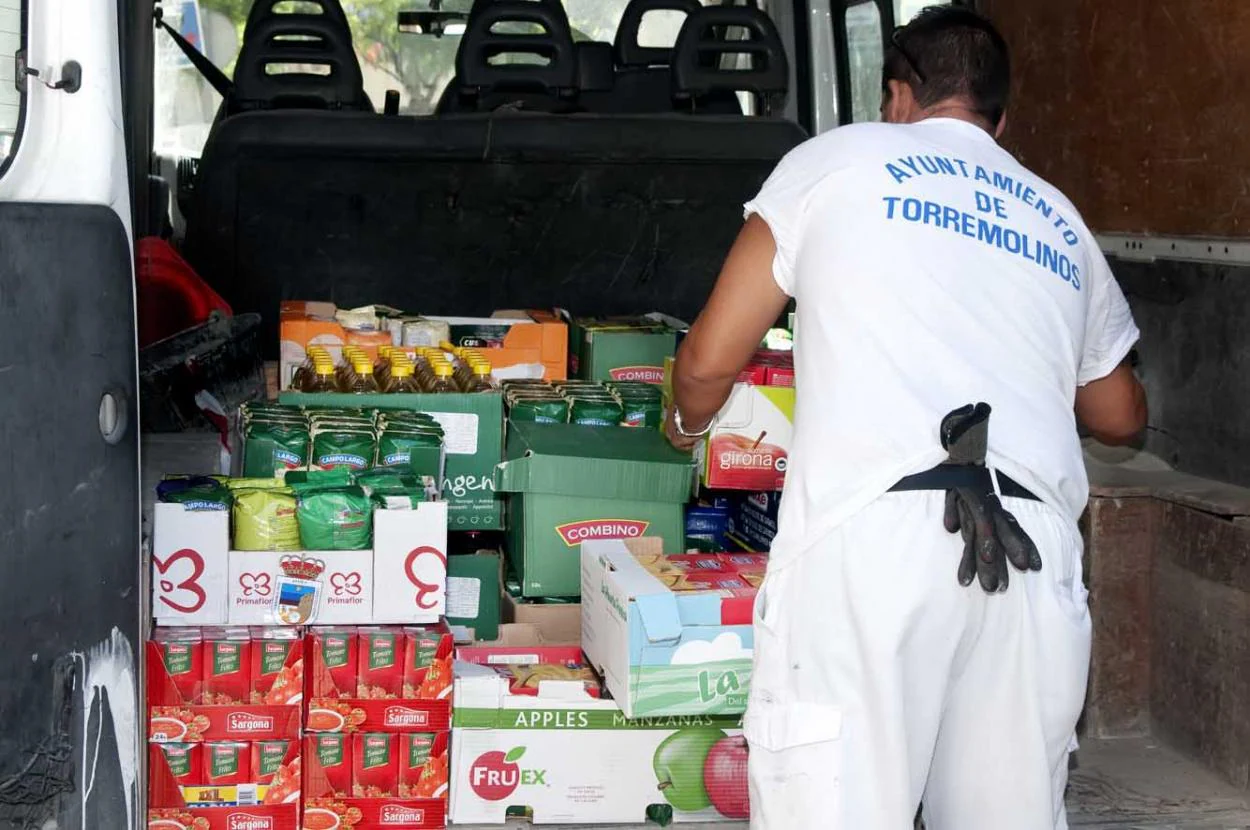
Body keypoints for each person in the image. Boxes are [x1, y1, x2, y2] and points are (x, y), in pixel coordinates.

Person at [663, 6, 1147, 830]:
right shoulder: (1058, 215)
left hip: (872, 542)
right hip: (1029, 553)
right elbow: (1120, 414)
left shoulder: (835, 160)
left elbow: (709, 360)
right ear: (1003, 118)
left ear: (895, 97)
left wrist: (684, 429)